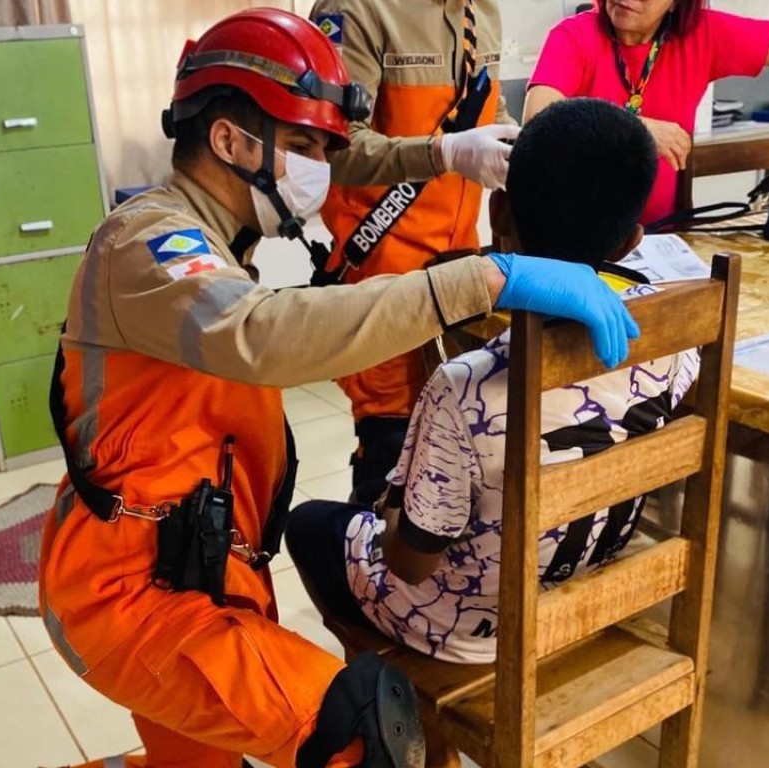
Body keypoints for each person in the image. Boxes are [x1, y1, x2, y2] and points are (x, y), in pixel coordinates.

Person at [39, 10, 640, 768]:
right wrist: (489, 275)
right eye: (302, 147)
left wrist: (450, 178)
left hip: (203, 567)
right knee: (359, 733)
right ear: (228, 140)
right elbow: (263, 336)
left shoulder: (221, 244)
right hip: (136, 594)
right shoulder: (148, 242)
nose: (321, 169)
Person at [286, 97, 700, 681]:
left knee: (310, 523)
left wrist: (395, 506)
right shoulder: (677, 343)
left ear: (498, 211)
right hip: (590, 592)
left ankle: (377, 694)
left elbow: (410, 564)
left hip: (469, 636)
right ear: (633, 240)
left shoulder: (466, 386)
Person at [310, 0, 520, 505]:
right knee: (392, 456)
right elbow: (333, 145)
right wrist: (442, 153)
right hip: (384, 277)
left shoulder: (482, 12)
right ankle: (369, 575)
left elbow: (488, 109)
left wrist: (521, 141)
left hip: (462, 275)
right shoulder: (356, 10)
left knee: (458, 447)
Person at [523, 0, 769, 226]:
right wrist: (633, 128)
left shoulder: (701, 35)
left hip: (661, 239)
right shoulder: (573, 36)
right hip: (577, 240)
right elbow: (537, 121)